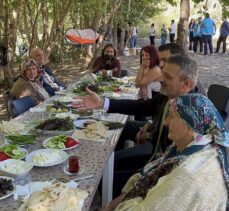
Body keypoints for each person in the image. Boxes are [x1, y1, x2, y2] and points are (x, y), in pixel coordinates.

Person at [72, 54, 205, 197]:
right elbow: (141, 106)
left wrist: (150, 134)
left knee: (106, 176)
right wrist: (102, 103)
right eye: (162, 73)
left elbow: (174, 171)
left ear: (186, 84)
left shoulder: (193, 117)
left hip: (164, 173)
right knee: (106, 166)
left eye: (167, 77)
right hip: (156, 157)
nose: (160, 79)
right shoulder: (172, 95)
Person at [100, 93, 229, 211]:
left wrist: (114, 206)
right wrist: (111, 205)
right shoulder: (197, 144)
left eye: (171, 116)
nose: (166, 122)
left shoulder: (188, 173)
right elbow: (149, 176)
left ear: (191, 126)